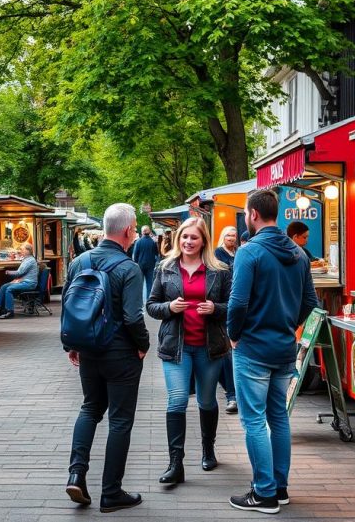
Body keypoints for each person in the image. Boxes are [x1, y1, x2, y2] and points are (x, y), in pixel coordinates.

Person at [226, 189, 319, 513]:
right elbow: (311, 304)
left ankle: (263, 493)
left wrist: (233, 335)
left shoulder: (249, 253)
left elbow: (237, 303)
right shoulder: (297, 253)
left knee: (253, 421)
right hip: (283, 348)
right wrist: (286, 324)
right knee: (278, 417)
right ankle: (279, 489)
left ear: (252, 214)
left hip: (251, 348)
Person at [65, 203, 149, 513]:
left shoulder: (80, 261)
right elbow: (132, 316)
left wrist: (71, 345)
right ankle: (111, 492)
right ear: (129, 231)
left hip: (87, 350)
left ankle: (77, 473)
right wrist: (143, 345)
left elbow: (70, 307)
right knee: (120, 421)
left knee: (89, 409)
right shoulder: (129, 268)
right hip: (121, 355)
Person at [146, 217, 231, 485]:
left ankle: (208, 450)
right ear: (178, 239)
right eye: (184, 237)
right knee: (177, 400)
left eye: (194, 238)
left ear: (203, 240)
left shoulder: (220, 270)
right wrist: (169, 308)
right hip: (176, 348)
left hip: (209, 348)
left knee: (207, 401)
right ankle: (175, 463)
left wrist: (215, 309)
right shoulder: (165, 268)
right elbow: (151, 305)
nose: (188, 242)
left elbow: (234, 307)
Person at [213, 225, 239, 414]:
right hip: (223, 304)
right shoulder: (218, 253)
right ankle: (232, 394)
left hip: (237, 303)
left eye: (233, 235)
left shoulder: (239, 252)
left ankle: (234, 393)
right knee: (224, 353)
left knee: (229, 352)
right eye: (228, 235)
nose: (231, 238)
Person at [0, 243, 37, 319]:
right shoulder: (27, 259)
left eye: (22, 249)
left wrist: (8, 272)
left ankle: (9, 311)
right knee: (4, 286)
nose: (21, 251)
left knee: (9, 289)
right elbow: (21, 274)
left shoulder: (29, 261)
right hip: (24, 281)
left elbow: (19, 272)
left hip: (29, 283)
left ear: (28, 251)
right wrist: (17, 280)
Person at [131, 225, 159, 298]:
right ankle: (148, 301)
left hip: (140, 265)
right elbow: (156, 253)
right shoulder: (153, 242)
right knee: (150, 284)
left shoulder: (138, 242)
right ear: (149, 232)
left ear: (142, 232)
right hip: (150, 265)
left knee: (140, 284)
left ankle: (139, 302)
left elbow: (135, 255)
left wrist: (136, 263)